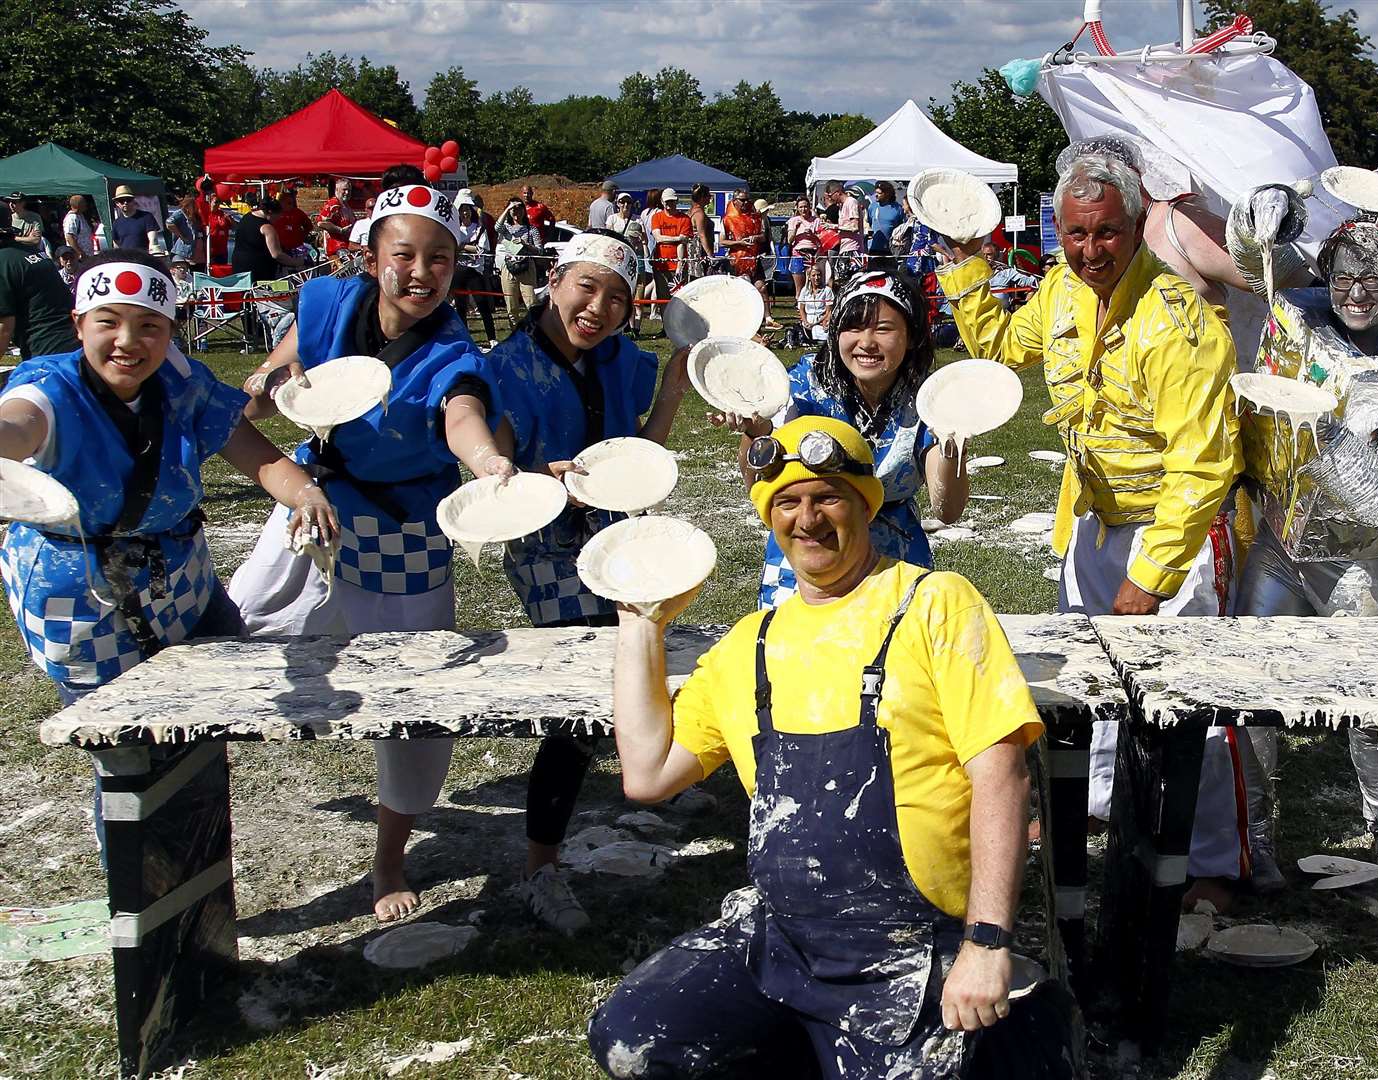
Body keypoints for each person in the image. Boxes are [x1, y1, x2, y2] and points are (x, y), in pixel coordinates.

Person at [588, 415, 1073, 1079]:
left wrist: (985, 942)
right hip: (777, 937)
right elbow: (646, 774)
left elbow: (1002, 777)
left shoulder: (933, 603)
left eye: (827, 498)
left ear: (864, 506)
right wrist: (641, 623)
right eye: (787, 502)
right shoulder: (749, 644)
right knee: (632, 1042)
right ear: (768, 516)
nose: (807, 519)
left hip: (908, 950)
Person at [939, 153, 1261, 911]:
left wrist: (1150, 575)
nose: (1091, 251)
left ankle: (1215, 861)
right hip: (1090, 521)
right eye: (1076, 234)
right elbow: (1000, 352)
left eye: (1107, 232)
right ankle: (1099, 812)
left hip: (1177, 536)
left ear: (1138, 222)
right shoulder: (1058, 290)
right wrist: (965, 273)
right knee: (1085, 685)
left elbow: (1203, 461)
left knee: (1194, 707)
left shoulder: (1179, 319)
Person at [226, 168, 513, 922]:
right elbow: (292, 350)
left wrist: (484, 460)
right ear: (370, 256)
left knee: (411, 696)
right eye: (406, 254)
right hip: (316, 494)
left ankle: (389, 858)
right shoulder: (327, 298)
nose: (421, 272)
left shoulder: (454, 349)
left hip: (403, 527)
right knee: (231, 624)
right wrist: (266, 375)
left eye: (441, 258)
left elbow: (461, 413)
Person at [1229, 214, 1378, 883]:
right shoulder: (1299, 316)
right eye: (1342, 277)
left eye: (1372, 279)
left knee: (1369, 700)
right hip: (1276, 541)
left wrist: (1322, 430)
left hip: (1356, 557)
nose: (1354, 293)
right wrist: (1263, 212)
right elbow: (1253, 261)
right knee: (1253, 695)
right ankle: (1257, 840)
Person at [0, 250, 335, 703]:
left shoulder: (184, 385)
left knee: (214, 710)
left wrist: (306, 494)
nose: (128, 341)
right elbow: (19, 426)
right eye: (108, 322)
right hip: (82, 599)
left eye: (149, 325)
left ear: (170, 332)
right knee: (127, 742)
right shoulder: (48, 389)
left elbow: (254, 453)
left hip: (183, 580)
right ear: (77, 324)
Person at [486, 230, 691, 933]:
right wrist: (541, 482)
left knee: (639, 665)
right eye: (586, 288)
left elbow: (641, 453)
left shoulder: (624, 362)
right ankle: (539, 865)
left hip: (619, 537)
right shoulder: (504, 366)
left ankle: (649, 770)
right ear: (553, 282)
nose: (598, 307)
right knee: (583, 696)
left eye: (615, 297)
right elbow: (496, 478)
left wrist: (671, 388)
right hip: (547, 548)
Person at [719, 268, 968, 608]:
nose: (866, 342)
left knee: (893, 655)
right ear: (836, 331)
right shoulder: (802, 384)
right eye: (854, 327)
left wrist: (953, 446)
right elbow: (757, 487)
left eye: (883, 328)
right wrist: (755, 434)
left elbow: (947, 509)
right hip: (808, 547)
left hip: (892, 556)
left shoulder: (928, 399)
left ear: (910, 336)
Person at [0, 222, 79, 361]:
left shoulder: (3, 262)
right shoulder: (33, 252)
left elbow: (3, 328)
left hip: (46, 353)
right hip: (75, 343)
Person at [451, 191, 499, 348]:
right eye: (462, 209)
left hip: (474, 271)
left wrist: (463, 246)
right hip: (458, 271)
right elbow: (452, 248)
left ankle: (492, 338)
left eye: (467, 209)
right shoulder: (455, 229)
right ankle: (465, 338)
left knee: (482, 303)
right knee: (461, 307)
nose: (465, 213)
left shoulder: (479, 229)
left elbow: (481, 249)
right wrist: (464, 247)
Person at [230, 195, 308, 284]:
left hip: (239, 266)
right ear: (270, 212)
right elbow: (277, 255)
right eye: (277, 216)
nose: (278, 219)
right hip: (258, 271)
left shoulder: (246, 217)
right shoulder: (267, 227)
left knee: (246, 295)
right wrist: (296, 262)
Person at [497, 199, 546, 329]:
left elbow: (540, 250)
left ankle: (534, 331)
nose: (516, 210)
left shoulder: (531, 229)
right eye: (513, 208)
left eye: (519, 207)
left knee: (531, 302)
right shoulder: (506, 228)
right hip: (509, 267)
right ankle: (515, 332)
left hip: (527, 267)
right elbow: (497, 227)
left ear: (524, 210)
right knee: (511, 305)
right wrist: (508, 208)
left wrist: (525, 244)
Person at [648, 189, 691, 299]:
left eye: (672, 202)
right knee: (662, 297)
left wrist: (679, 267)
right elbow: (658, 238)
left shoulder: (685, 219)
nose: (669, 205)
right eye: (667, 202)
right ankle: (663, 316)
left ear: (676, 201)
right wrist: (677, 238)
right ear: (662, 201)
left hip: (678, 266)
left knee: (680, 298)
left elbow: (683, 242)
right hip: (661, 264)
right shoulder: (656, 217)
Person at [722, 190, 767, 283]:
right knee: (738, 290)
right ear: (735, 201)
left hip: (754, 259)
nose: (746, 202)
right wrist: (739, 243)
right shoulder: (727, 219)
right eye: (742, 200)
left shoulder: (756, 217)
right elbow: (721, 242)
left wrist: (756, 237)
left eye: (747, 200)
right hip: (736, 261)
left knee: (761, 288)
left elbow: (763, 237)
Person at [316, 177, 361, 266]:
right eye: (344, 190)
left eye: (349, 190)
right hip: (336, 249)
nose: (347, 193)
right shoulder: (333, 203)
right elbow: (320, 222)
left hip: (347, 246)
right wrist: (340, 230)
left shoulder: (346, 205)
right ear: (337, 189)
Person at [785, 196, 820, 298]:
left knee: (813, 284)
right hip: (798, 254)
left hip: (813, 254)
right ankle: (799, 307)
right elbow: (789, 240)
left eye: (805, 206)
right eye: (801, 207)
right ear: (797, 208)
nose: (803, 209)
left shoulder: (816, 221)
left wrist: (812, 234)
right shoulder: (793, 220)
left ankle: (812, 306)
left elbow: (821, 240)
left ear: (809, 207)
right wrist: (796, 229)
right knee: (799, 286)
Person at [108, 187, 160, 253]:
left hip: (143, 259)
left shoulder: (146, 217)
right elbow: (116, 245)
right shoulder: (116, 223)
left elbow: (153, 240)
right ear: (117, 203)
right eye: (121, 200)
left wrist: (152, 250)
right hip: (126, 260)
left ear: (133, 201)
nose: (125, 203)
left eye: (128, 200)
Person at [795, 259, 833, 346]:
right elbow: (801, 309)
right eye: (814, 275)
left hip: (821, 321)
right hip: (808, 321)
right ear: (809, 277)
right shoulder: (804, 291)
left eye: (819, 275)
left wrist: (820, 321)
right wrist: (805, 321)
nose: (816, 278)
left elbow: (828, 311)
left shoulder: (827, 290)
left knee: (822, 335)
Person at [866, 181, 905, 264]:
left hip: (892, 250)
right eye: (875, 192)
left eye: (879, 193)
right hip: (875, 248)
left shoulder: (898, 208)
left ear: (887, 194)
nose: (876, 195)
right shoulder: (872, 207)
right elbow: (870, 222)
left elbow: (902, 227)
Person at [270, 188, 313, 255]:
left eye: (291, 203)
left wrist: (301, 235)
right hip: (278, 248)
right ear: (281, 202)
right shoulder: (274, 213)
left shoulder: (298, 212)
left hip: (295, 247)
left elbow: (309, 226)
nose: (291, 205)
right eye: (288, 203)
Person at [687, 184, 716, 280]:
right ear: (702, 197)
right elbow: (702, 236)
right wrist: (710, 256)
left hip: (693, 249)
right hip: (699, 251)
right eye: (708, 195)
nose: (710, 198)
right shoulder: (699, 214)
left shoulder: (691, 211)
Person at [165, 192, 201, 268]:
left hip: (191, 253)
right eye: (193, 206)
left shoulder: (194, 217)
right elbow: (169, 224)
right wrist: (181, 236)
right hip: (180, 252)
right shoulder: (179, 214)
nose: (196, 208)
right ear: (187, 206)